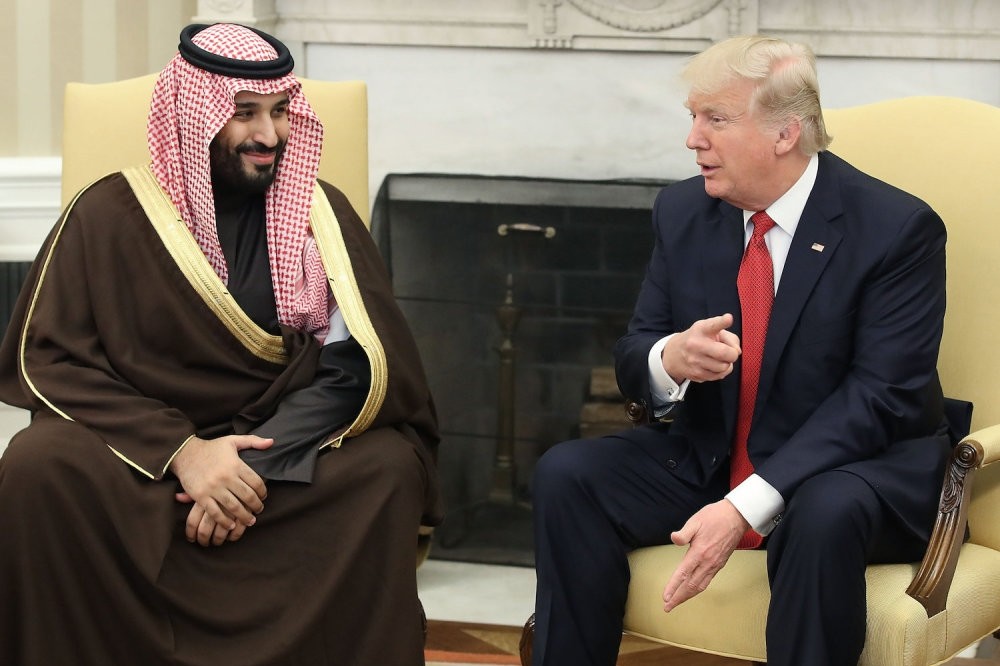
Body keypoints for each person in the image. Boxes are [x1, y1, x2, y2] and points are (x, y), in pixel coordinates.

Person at [0, 23, 441, 666]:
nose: (269, 135)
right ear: (193, 115)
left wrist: (251, 469)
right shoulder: (107, 215)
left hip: (274, 457)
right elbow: (50, 359)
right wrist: (183, 453)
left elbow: (359, 367)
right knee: (39, 466)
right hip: (142, 457)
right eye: (245, 114)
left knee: (386, 469)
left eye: (280, 111)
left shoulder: (322, 216)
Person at [530, 35, 954, 666]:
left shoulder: (896, 229)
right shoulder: (683, 210)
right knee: (568, 474)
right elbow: (636, 347)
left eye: (716, 119)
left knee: (822, 511)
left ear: (786, 133)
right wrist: (670, 360)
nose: (693, 139)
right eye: (692, 117)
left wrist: (743, 506)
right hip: (714, 455)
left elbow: (880, 398)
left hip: (856, 469)